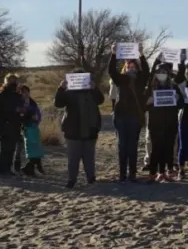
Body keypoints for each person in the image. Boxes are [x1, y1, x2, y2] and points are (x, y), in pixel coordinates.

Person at [54, 70, 105, 188]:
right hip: (72, 131)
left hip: (90, 130)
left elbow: (100, 100)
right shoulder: (68, 92)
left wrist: (95, 88)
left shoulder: (91, 91)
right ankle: (72, 180)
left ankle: (91, 178)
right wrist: (61, 88)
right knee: (73, 158)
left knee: (89, 157)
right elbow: (58, 103)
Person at [108, 46, 150, 182]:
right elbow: (111, 71)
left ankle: (132, 173)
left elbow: (147, 71)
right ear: (125, 68)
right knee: (122, 145)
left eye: (133, 66)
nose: (131, 68)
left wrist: (141, 55)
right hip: (120, 116)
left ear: (137, 68)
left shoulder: (140, 80)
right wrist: (114, 54)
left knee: (132, 146)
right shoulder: (121, 80)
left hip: (134, 117)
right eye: (128, 66)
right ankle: (122, 173)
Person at [144, 63, 181, 182]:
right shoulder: (150, 87)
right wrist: (149, 102)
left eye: (164, 72)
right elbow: (143, 105)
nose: (162, 75)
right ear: (155, 74)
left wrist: (178, 99)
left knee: (168, 148)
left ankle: (166, 172)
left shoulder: (174, 87)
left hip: (170, 122)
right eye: (159, 72)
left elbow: (182, 104)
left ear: (168, 74)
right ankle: (152, 173)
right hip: (155, 123)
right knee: (156, 148)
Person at [0, 73, 23, 179]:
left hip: (15, 124)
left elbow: (22, 106)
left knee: (11, 149)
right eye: (10, 80)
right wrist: (12, 110)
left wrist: (21, 110)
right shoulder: (1, 94)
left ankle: (8, 169)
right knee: (4, 148)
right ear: (6, 81)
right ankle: (0, 171)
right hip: (4, 124)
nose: (13, 82)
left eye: (14, 80)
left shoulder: (17, 95)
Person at [18, 85, 45, 176]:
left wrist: (37, 120)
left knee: (37, 147)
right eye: (23, 92)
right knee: (31, 148)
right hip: (27, 126)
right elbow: (21, 115)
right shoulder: (20, 103)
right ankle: (29, 168)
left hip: (34, 126)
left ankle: (33, 167)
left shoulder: (32, 102)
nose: (25, 94)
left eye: (27, 92)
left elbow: (38, 112)